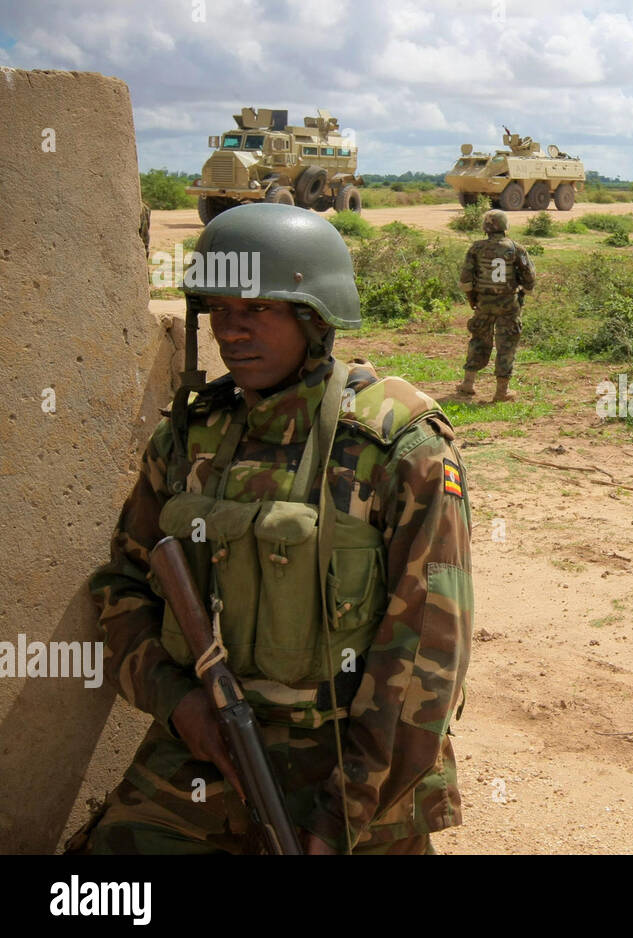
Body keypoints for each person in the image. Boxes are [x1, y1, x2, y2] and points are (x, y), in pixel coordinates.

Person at [72, 203, 473, 854]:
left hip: (358, 765)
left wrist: (339, 818)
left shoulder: (398, 448)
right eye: (220, 311)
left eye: (257, 309)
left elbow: (426, 660)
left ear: (315, 317)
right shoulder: (188, 439)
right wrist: (181, 705)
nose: (233, 331)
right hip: (209, 751)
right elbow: (121, 589)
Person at [456, 209, 535, 403]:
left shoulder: (476, 248)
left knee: (478, 340)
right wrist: (522, 294)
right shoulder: (516, 248)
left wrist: (472, 300)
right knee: (506, 345)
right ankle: (502, 392)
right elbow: (529, 278)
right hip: (509, 304)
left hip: (484, 303)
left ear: (486, 227)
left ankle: (468, 384)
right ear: (506, 226)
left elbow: (466, 279)